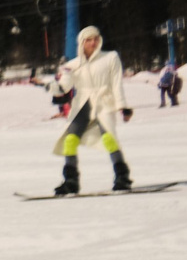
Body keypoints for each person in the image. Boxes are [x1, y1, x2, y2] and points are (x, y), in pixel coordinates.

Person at [53, 25, 133, 196]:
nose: (93, 42)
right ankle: (71, 181)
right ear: (82, 42)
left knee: (109, 139)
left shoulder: (111, 58)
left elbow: (117, 83)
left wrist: (122, 106)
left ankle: (122, 177)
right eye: (89, 39)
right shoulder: (72, 65)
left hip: (104, 103)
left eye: (96, 38)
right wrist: (50, 86)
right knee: (70, 140)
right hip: (83, 104)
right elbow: (64, 87)